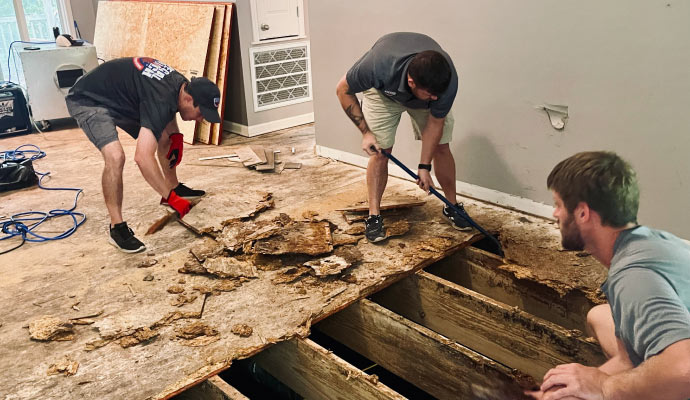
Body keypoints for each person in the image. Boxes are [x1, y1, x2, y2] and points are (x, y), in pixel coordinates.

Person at [527, 151, 690, 400]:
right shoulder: (648, 240)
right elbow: (628, 359)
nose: (555, 214)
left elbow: (684, 370)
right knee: (599, 316)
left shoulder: (633, 277)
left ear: (582, 213)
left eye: (559, 205)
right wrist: (578, 382)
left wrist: (604, 386)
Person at [66, 57, 221, 253]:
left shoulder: (180, 85)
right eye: (201, 113)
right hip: (88, 99)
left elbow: (168, 113)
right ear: (189, 99)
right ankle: (117, 228)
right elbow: (142, 158)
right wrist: (173, 200)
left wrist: (175, 137)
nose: (200, 119)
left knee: (166, 138)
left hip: (119, 97)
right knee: (115, 156)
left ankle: (173, 186)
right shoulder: (161, 97)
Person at [335, 32, 472, 243]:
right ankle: (374, 216)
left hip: (419, 99)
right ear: (411, 81)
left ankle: (452, 206)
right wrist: (366, 132)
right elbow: (342, 89)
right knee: (381, 153)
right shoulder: (376, 65)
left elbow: (435, 123)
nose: (436, 98)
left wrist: (424, 167)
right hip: (383, 93)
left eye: (438, 94)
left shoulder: (445, 82)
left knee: (442, 147)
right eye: (431, 94)